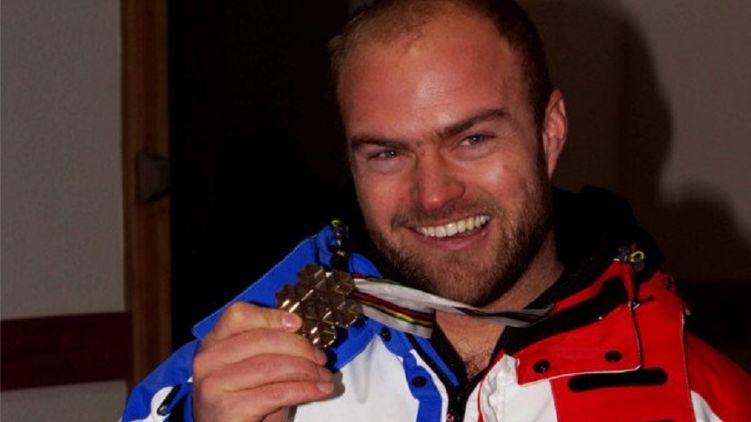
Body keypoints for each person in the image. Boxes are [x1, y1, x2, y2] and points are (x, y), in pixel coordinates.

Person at [122, 0, 751, 421]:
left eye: (472, 139)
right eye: (387, 153)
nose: (432, 195)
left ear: (549, 133)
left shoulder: (697, 399)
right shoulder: (244, 371)